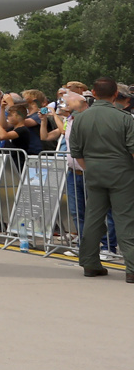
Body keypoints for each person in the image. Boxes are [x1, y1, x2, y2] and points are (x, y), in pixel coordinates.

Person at [68, 77, 134, 279]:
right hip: (121, 173)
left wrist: (90, 168)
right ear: (115, 94)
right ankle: (132, 268)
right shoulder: (124, 118)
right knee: (125, 218)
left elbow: (76, 152)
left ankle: (90, 263)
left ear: (93, 94)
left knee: (93, 218)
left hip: (94, 172)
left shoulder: (80, 118)